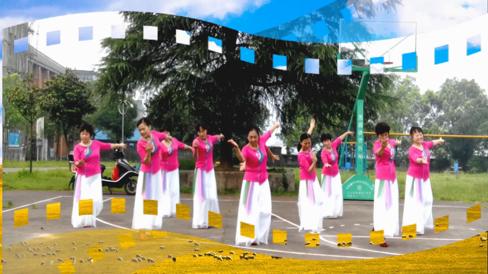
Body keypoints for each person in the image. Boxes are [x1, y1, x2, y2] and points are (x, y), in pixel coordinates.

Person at [228, 122, 280, 246]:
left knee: (265, 210)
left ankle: (260, 237)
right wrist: (236, 149)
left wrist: (276, 125)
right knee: (249, 211)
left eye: (255, 137)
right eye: (250, 137)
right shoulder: (246, 149)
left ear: (258, 136)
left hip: (263, 181)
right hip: (250, 183)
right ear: (247, 137)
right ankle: (249, 237)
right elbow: (242, 158)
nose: (253, 139)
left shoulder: (262, 141)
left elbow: (269, 134)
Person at [72, 123, 126, 228]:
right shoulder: (77, 148)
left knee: (96, 199)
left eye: (86, 134)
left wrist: (119, 145)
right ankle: (85, 221)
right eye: (82, 134)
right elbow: (76, 161)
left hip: (95, 176)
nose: (84, 136)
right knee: (85, 199)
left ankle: (90, 219)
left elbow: (108, 146)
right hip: (84, 177)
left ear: (90, 135)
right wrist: (78, 163)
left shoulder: (96, 144)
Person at [402, 126, 445, 234]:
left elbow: (432, 143)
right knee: (417, 203)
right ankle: (416, 227)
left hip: (425, 179)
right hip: (415, 180)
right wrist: (421, 160)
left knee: (428, 200)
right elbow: (415, 158)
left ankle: (422, 222)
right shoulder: (412, 149)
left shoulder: (424, 144)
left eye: (421, 134)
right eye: (417, 135)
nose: (420, 136)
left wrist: (439, 141)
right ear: (412, 137)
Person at [132, 117, 170, 230]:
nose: (142, 132)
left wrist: (168, 136)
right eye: (140, 130)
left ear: (149, 127)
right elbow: (146, 162)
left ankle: (153, 222)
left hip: (157, 173)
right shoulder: (140, 143)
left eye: (144, 129)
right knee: (147, 198)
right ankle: (145, 224)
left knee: (155, 197)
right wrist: (148, 152)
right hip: (147, 174)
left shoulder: (154, 134)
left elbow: (162, 135)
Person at [372, 122, 401, 245]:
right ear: (378, 136)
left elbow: (395, 142)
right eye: (382, 135)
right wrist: (383, 147)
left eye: (386, 135)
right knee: (381, 206)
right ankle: (378, 235)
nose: (385, 137)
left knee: (391, 206)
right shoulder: (377, 144)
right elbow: (378, 153)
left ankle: (376, 230)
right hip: (383, 179)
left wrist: (397, 142)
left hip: (392, 178)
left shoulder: (391, 142)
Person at [191, 124, 225, 229]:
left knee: (212, 196)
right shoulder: (196, 141)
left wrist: (220, 136)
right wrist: (195, 148)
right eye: (200, 131)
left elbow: (217, 137)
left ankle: (213, 221)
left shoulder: (210, 138)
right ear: (197, 133)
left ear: (206, 130)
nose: (202, 133)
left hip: (210, 171)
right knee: (202, 197)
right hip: (201, 172)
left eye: (203, 130)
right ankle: (201, 221)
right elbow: (195, 158)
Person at [296, 118, 324, 233]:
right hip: (306, 181)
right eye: (305, 143)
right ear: (301, 143)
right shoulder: (301, 154)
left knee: (318, 201)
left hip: (313, 180)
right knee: (308, 202)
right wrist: (314, 161)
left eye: (309, 142)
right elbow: (308, 169)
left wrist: (312, 126)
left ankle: (314, 222)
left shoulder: (308, 148)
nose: (307, 144)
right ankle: (308, 223)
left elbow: (308, 134)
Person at [320, 130, 354, 218]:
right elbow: (324, 159)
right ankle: (327, 212)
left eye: (328, 140)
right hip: (327, 175)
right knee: (328, 193)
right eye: (324, 141)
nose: (326, 142)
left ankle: (336, 212)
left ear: (330, 140)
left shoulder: (334, 145)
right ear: (323, 142)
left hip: (335, 174)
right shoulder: (323, 151)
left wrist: (347, 133)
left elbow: (339, 138)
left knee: (337, 192)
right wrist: (326, 163)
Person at [160, 136, 193, 217]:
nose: (167, 136)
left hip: (174, 170)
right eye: (165, 134)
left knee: (174, 190)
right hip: (165, 171)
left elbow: (182, 145)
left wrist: (190, 147)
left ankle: (174, 210)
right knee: (165, 190)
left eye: (168, 134)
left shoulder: (174, 141)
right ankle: (165, 211)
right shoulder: (160, 145)